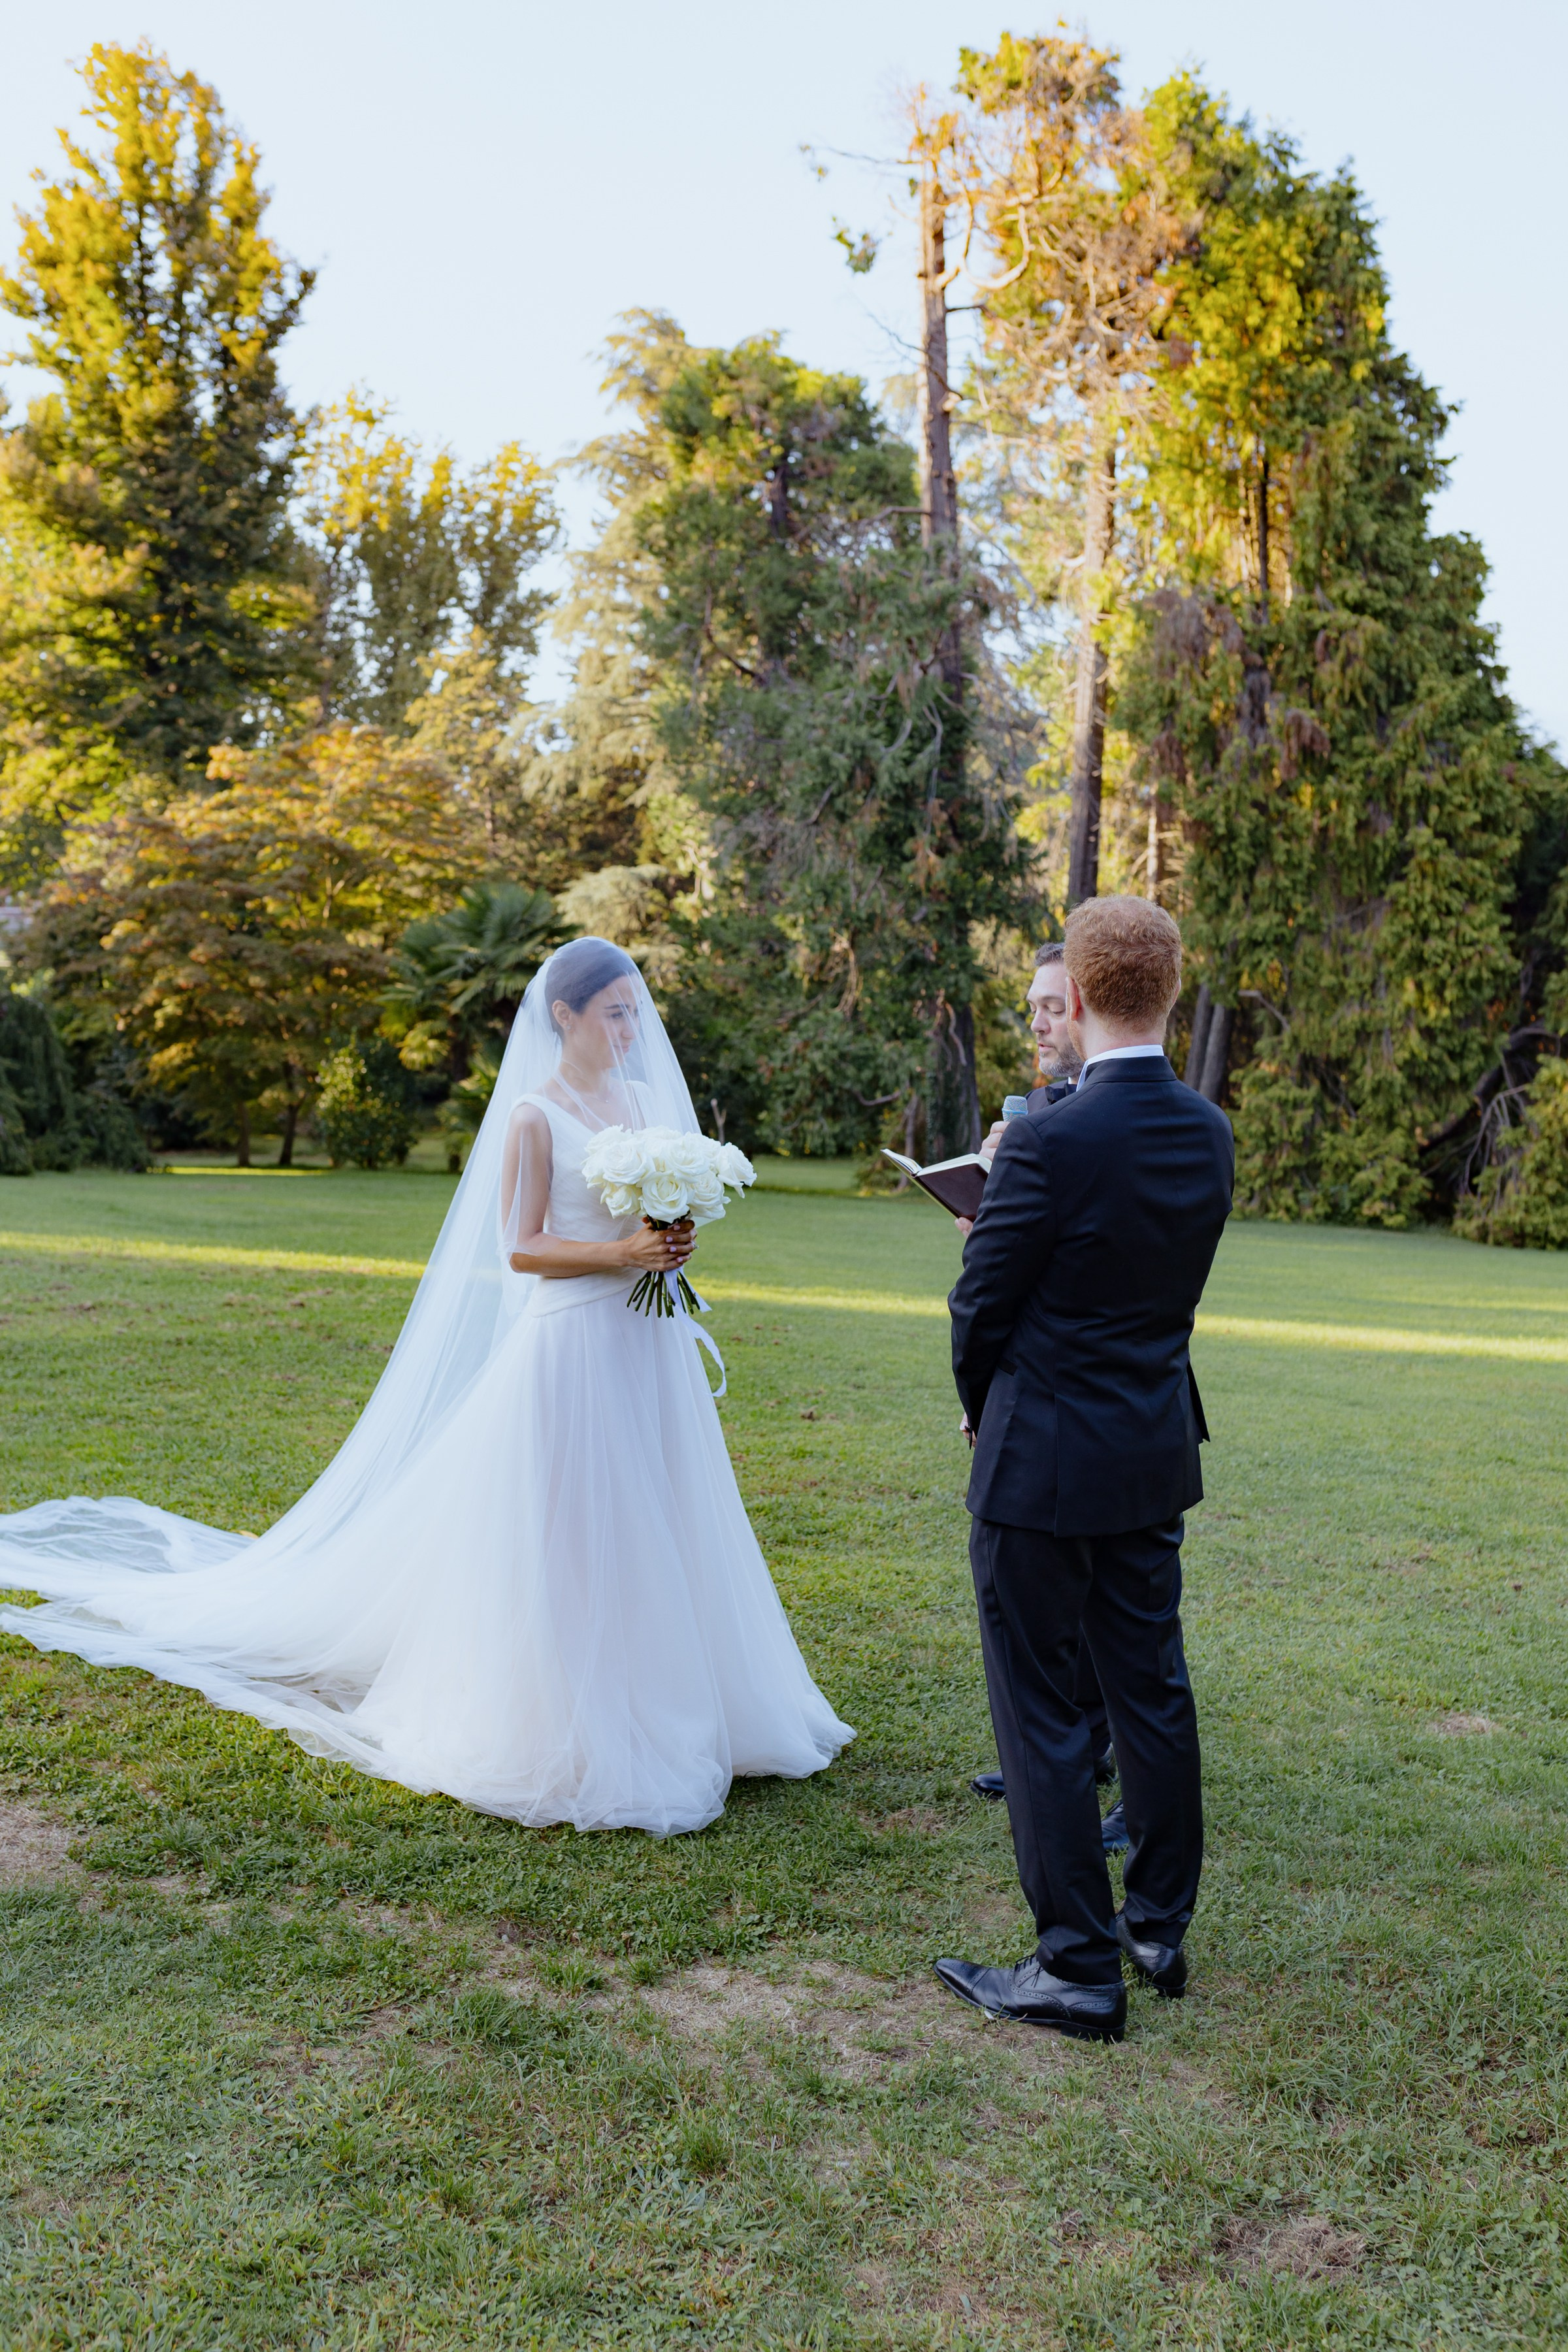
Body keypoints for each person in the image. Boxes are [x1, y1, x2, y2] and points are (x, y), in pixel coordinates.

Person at [0, 938, 853, 1837]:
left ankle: (694, 1696)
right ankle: (569, 1712)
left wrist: (671, 1242)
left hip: (644, 1346)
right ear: (564, 1018)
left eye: (634, 1010)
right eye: (613, 1011)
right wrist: (621, 1255)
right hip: (568, 1353)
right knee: (573, 1533)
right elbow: (519, 1248)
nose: (630, 1027)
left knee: (667, 1515)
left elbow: (652, 1223)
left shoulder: (641, 1101)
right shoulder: (533, 1115)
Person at [936, 896, 1232, 2041]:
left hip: (1046, 1456)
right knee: (1149, 1689)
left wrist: (982, 1410)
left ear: (1091, 993)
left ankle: (1075, 1966)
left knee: (1045, 1711)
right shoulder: (1206, 1131)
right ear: (1164, 989)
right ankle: (1156, 1925)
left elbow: (981, 1306)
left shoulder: (1053, 1138)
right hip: (1150, 1450)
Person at [967, 943, 1124, 1848]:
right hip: (1059, 1397)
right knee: (1081, 1608)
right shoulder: (1034, 1113)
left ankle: (1090, 1768)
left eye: (1052, 1007)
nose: (1036, 1022)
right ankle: (1081, 1748)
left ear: (1091, 1007)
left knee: (1112, 1620)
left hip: (1083, 1403)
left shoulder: (1102, 1117)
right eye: (1029, 1007)